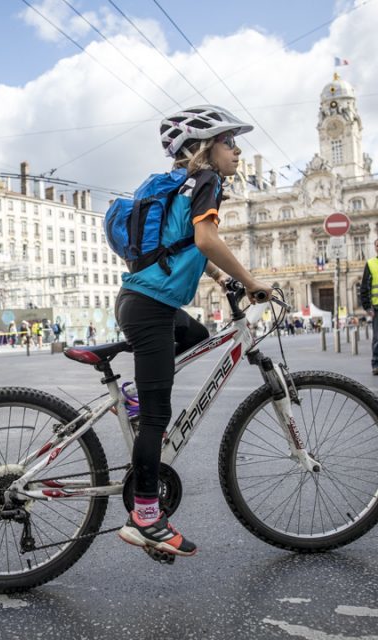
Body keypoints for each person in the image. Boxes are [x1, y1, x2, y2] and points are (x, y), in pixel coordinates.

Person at [115, 105, 272, 558]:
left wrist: (219, 279)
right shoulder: (206, 181)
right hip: (150, 308)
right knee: (157, 418)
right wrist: (250, 280)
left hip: (145, 303)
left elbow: (182, 243)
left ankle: (134, 397)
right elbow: (206, 240)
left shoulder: (182, 186)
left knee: (201, 336)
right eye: (229, 141)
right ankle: (145, 516)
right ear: (204, 148)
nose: (237, 150)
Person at [360, 237, 378, 374]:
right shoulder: (371, 263)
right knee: (377, 338)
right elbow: (364, 287)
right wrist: (367, 307)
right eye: (377, 246)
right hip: (376, 308)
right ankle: (376, 365)